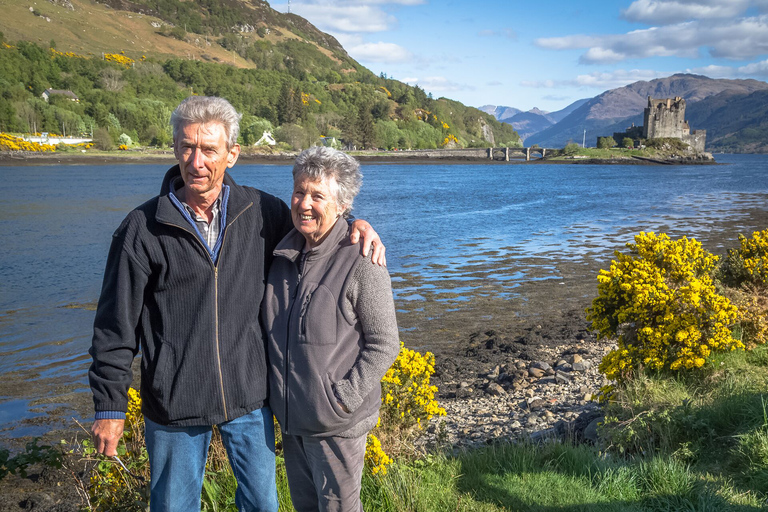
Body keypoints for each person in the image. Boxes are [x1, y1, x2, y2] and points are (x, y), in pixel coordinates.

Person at [88, 96, 385, 512]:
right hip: (175, 403)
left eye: (209, 149)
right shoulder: (141, 228)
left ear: (232, 154)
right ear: (175, 148)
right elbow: (115, 326)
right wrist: (109, 405)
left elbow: (318, 221)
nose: (197, 161)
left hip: (249, 399)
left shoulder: (263, 212)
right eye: (187, 147)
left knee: (263, 505)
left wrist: (357, 224)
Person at [262, 146, 400, 512]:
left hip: (336, 425)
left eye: (318, 196)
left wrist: (341, 399)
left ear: (342, 206)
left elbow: (385, 344)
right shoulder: (281, 254)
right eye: (299, 191)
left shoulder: (362, 260)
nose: (304, 203)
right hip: (292, 420)